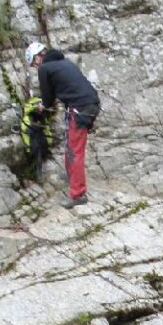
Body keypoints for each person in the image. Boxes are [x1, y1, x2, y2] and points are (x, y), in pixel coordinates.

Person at [24, 41, 101, 208]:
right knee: (71, 147)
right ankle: (73, 177)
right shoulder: (64, 63)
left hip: (79, 109)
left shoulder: (45, 69)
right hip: (90, 105)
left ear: (38, 58)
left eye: (33, 63)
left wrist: (41, 107)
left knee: (74, 151)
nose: (35, 67)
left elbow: (48, 99)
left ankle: (78, 194)